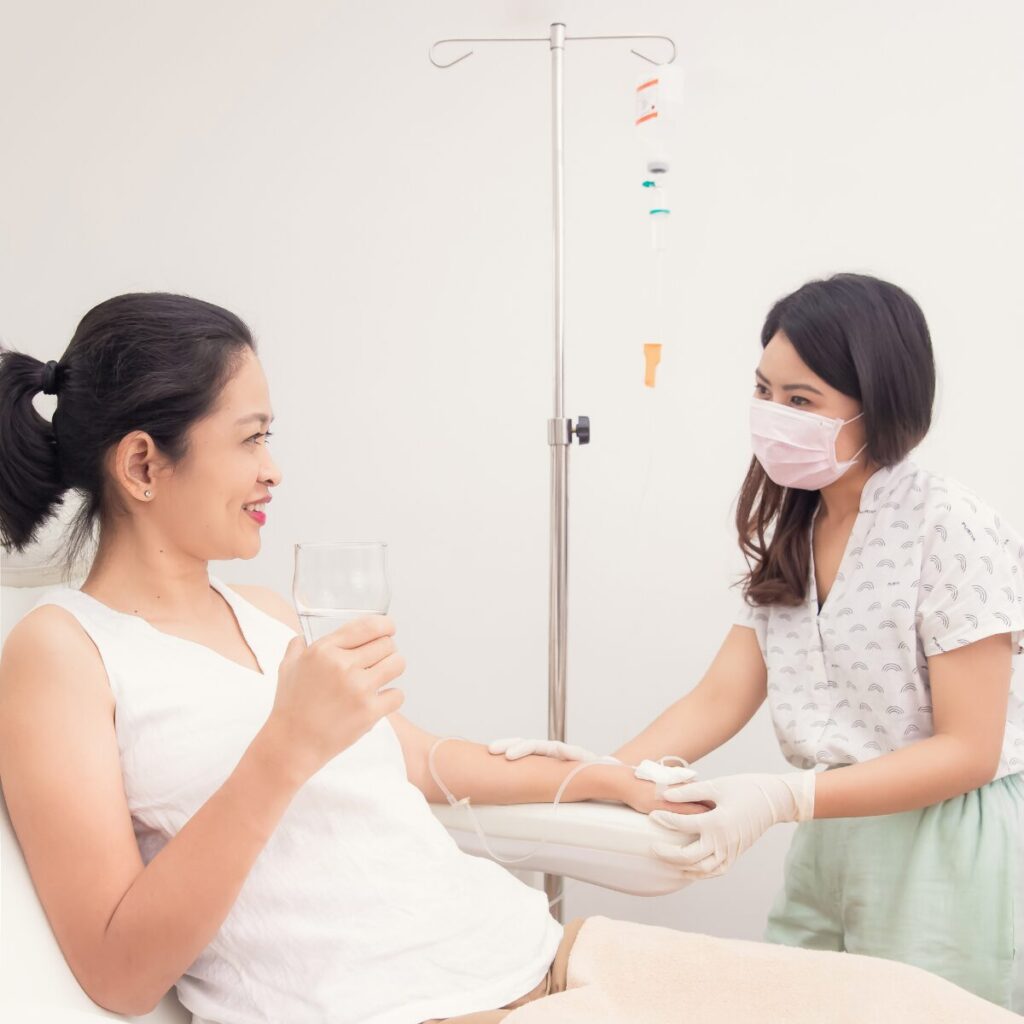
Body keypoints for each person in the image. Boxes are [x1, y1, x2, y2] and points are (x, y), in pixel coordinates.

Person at [1, 291, 1018, 1024]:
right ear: (143, 461)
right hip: (421, 1004)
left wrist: (599, 775)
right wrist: (285, 746)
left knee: (928, 1007)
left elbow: (431, 759)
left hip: (544, 952)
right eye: (253, 437)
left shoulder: (267, 612)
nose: (276, 470)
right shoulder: (62, 653)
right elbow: (119, 974)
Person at [492, 273, 1024, 1013]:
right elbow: (720, 696)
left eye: (801, 401)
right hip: (831, 834)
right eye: (764, 391)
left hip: (941, 842)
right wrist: (594, 775)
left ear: (882, 407)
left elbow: (968, 749)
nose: (773, 416)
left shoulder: (950, 528)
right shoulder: (796, 532)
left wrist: (779, 796)